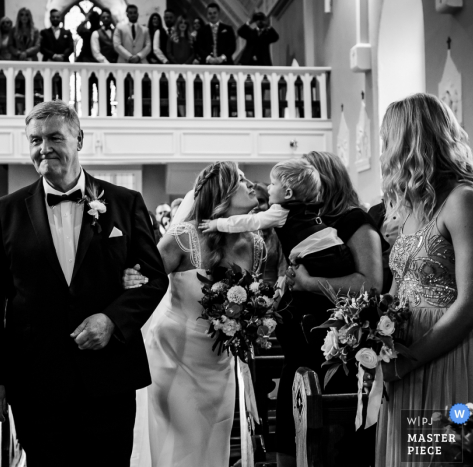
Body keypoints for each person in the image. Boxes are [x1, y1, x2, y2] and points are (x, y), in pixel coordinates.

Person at [0, 100, 168, 467]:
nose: (43, 148)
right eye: (34, 140)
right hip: (36, 381)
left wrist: (112, 320)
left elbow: (154, 279)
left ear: (79, 138)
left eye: (54, 137)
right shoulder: (6, 210)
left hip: (108, 376)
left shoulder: (124, 202)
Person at [126, 162, 265, 467]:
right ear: (222, 195)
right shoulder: (183, 238)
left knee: (213, 448)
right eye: (241, 181)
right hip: (174, 360)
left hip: (219, 366)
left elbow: (255, 301)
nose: (251, 184)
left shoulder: (255, 244)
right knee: (181, 451)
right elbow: (141, 281)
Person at [367, 94, 473, 466]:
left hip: (446, 355)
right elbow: (397, 290)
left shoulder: (463, 200)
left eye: (386, 140)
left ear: (409, 141)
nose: (383, 150)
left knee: (441, 457)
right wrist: (365, 333)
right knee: (409, 457)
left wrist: (410, 360)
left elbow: (470, 304)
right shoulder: (410, 208)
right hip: (404, 357)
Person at [280, 151, 384, 467]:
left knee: (325, 449)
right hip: (299, 350)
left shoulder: (354, 220)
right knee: (288, 448)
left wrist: (309, 283)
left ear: (324, 179)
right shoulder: (309, 223)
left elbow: (371, 285)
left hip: (334, 353)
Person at [200, 159, 355, 282]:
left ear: (287, 193)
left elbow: (251, 221)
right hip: (336, 249)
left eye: (273, 184)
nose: (268, 188)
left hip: (316, 256)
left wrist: (217, 224)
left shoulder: (281, 211)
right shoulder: (310, 205)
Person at [253, 182, 287, 284]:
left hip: (272, 293)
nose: (256, 206)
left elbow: (283, 273)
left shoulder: (279, 233)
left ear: (269, 204)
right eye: (254, 202)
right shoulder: (241, 233)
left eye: (261, 201)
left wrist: (274, 298)